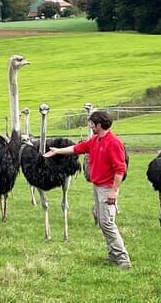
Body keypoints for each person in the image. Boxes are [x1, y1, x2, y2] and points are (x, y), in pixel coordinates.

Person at [43, 110, 132, 269]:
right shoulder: (96, 140)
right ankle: (113, 256)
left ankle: (123, 260)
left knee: (107, 223)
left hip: (107, 188)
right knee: (102, 220)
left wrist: (114, 190)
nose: (89, 126)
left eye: (91, 123)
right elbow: (77, 148)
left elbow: (120, 169)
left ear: (98, 125)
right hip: (98, 187)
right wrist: (57, 151)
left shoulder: (113, 143)